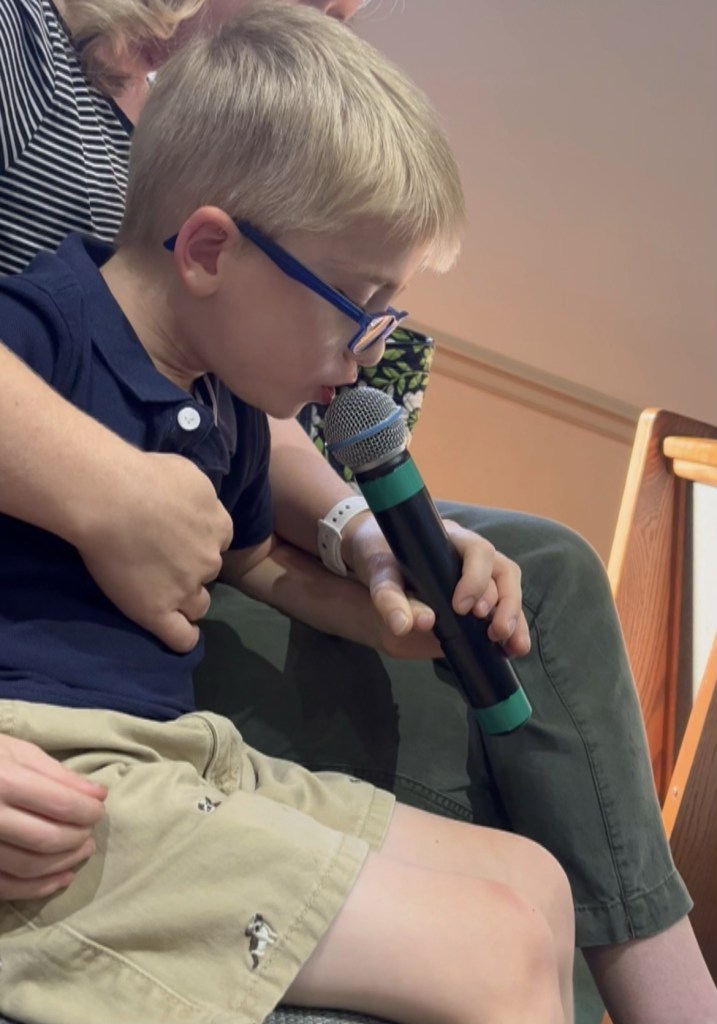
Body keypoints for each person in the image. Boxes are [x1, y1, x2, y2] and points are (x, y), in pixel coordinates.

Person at [0, 1, 715, 1022]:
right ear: (208, 252)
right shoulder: (45, 332)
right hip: (58, 761)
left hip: (175, 749)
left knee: (534, 886)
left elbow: (249, 558)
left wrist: (379, 597)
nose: (370, 350)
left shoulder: (227, 399)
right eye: (357, 305)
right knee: (491, 950)